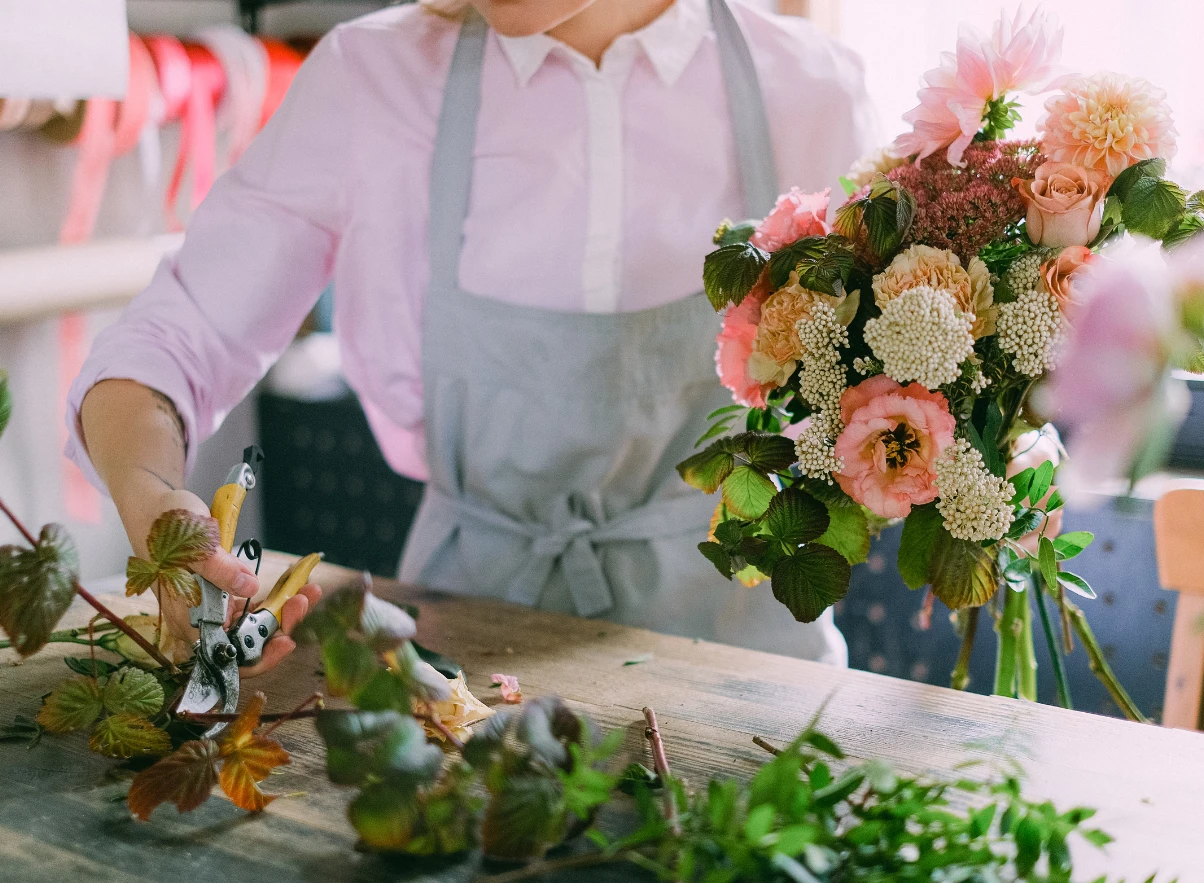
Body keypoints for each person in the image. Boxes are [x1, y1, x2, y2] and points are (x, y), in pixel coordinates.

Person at [70, 0, 873, 673]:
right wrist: (155, 501)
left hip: (757, 686)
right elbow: (167, 345)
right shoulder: (370, 81)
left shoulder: (814, 93)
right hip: (463, 678)